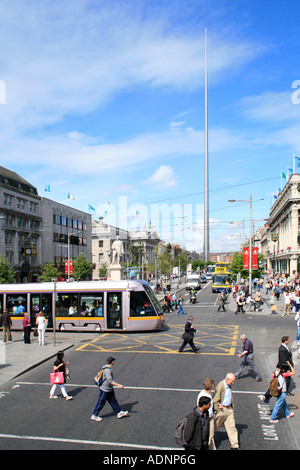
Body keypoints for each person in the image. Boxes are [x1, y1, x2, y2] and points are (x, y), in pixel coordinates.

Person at [91, 356, 128, 421]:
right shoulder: (107, 370)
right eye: (113, 361)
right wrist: (119, 385)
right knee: (101, 402)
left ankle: (119, 412)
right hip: (104, 389)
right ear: (112, 362)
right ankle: (94, 415)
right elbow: (110, 381)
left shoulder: (105, 367)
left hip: (109, 389)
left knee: (113, 401)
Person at [213, 373, 239, 450]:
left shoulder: (228, 384)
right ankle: (206, 440)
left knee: (232, 427)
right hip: (222, 410)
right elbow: (215, 399)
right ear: (227, 379)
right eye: (232, 381)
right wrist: (218, 408)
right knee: (213, 427)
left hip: (229, 409)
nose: (233, 383)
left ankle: (234, 446)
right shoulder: (221, 386)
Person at [196, 378, 216, 450]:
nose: (214, 385)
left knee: (211, 434)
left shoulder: (208, 393)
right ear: (210, 386)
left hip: (210, 416)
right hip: (206, 417)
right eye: (213, 384)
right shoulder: (203, 395)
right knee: (208, 434)